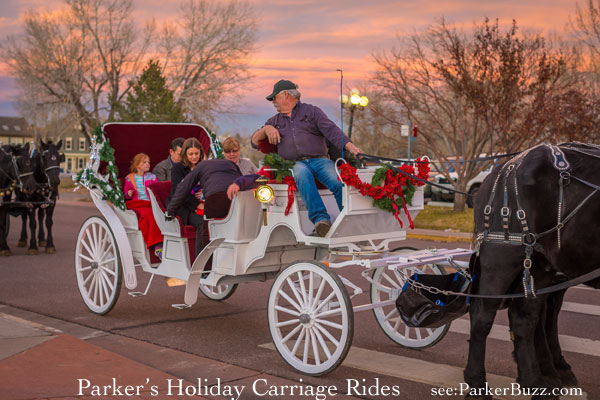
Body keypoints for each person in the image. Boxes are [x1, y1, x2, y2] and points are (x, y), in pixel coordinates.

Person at [251, 79, 362, 237]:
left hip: (320, 160)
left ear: (286, 95)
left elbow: (332, 131)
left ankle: (349, 220)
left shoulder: (312, 112)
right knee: (301, 173)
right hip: (294, 164)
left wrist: (350, 146)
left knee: (337, 182)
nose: (273, 102)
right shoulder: (273, 121)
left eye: (274, 97)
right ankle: (321, 220)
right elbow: (254, 142)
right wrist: (266, 129)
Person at [166, 159, 260, 253]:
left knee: (207, 232)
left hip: (215, 198)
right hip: (236, 197)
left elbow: (183, 188)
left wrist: (170, 211)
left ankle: (204, 265)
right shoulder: (231, 164)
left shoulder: (202, 166)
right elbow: (242, 177)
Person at [166, 137, 206, 257]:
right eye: (191, 154)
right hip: (182, 205)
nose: (194, 157)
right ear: (185, 154)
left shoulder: (204, 166)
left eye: (196, 153)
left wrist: (204, 191)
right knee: (202, 223)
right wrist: (196, 204)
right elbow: (179, 192)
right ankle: (200, 262)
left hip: (203, 201)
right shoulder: (178, 169)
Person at [123, 153, 163, 258]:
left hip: (149, 203)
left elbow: (157, 190)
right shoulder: (129, 178)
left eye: (148, 162)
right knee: (149, 215)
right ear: (137, 165)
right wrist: (129, 194)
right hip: (136, 204)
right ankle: (157, 245)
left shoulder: (152, 177)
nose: (147, 164)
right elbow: (126, 193)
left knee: (160, 214)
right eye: (144, 162)